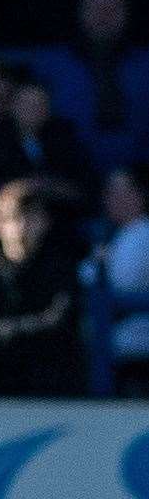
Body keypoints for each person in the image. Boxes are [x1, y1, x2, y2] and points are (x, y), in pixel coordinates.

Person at [0, 179, 88, 396]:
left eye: (30, 217)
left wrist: (2, 334)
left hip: (50, 394)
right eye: (13, 218)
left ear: (45, 222)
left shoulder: (61, 274)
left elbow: (60, 327)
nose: (21, 227)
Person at [31, 0, 149, 173]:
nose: (104, 15)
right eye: (96, 8)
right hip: (66, 175)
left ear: (127, 13)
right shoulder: (51, 66)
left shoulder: (145, 66)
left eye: (112, 8)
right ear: (80, 12)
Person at [0, 74, 96, 207]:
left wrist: (49, 186)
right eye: (26, 104)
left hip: (59, 213)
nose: (32, 110)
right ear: (13, 107)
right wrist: (24, 186)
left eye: (39, 105)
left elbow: (83, 183)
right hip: (7, 214)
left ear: (48, 109)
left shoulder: (65, 136)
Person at [88, 166, 149, 394]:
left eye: (117, 191)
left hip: (135, 338)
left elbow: (121, 287)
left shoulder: (142, 235)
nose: (109, 199)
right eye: (108, 192)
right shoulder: (119, 234)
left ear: (139, 195)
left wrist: (100, 265)